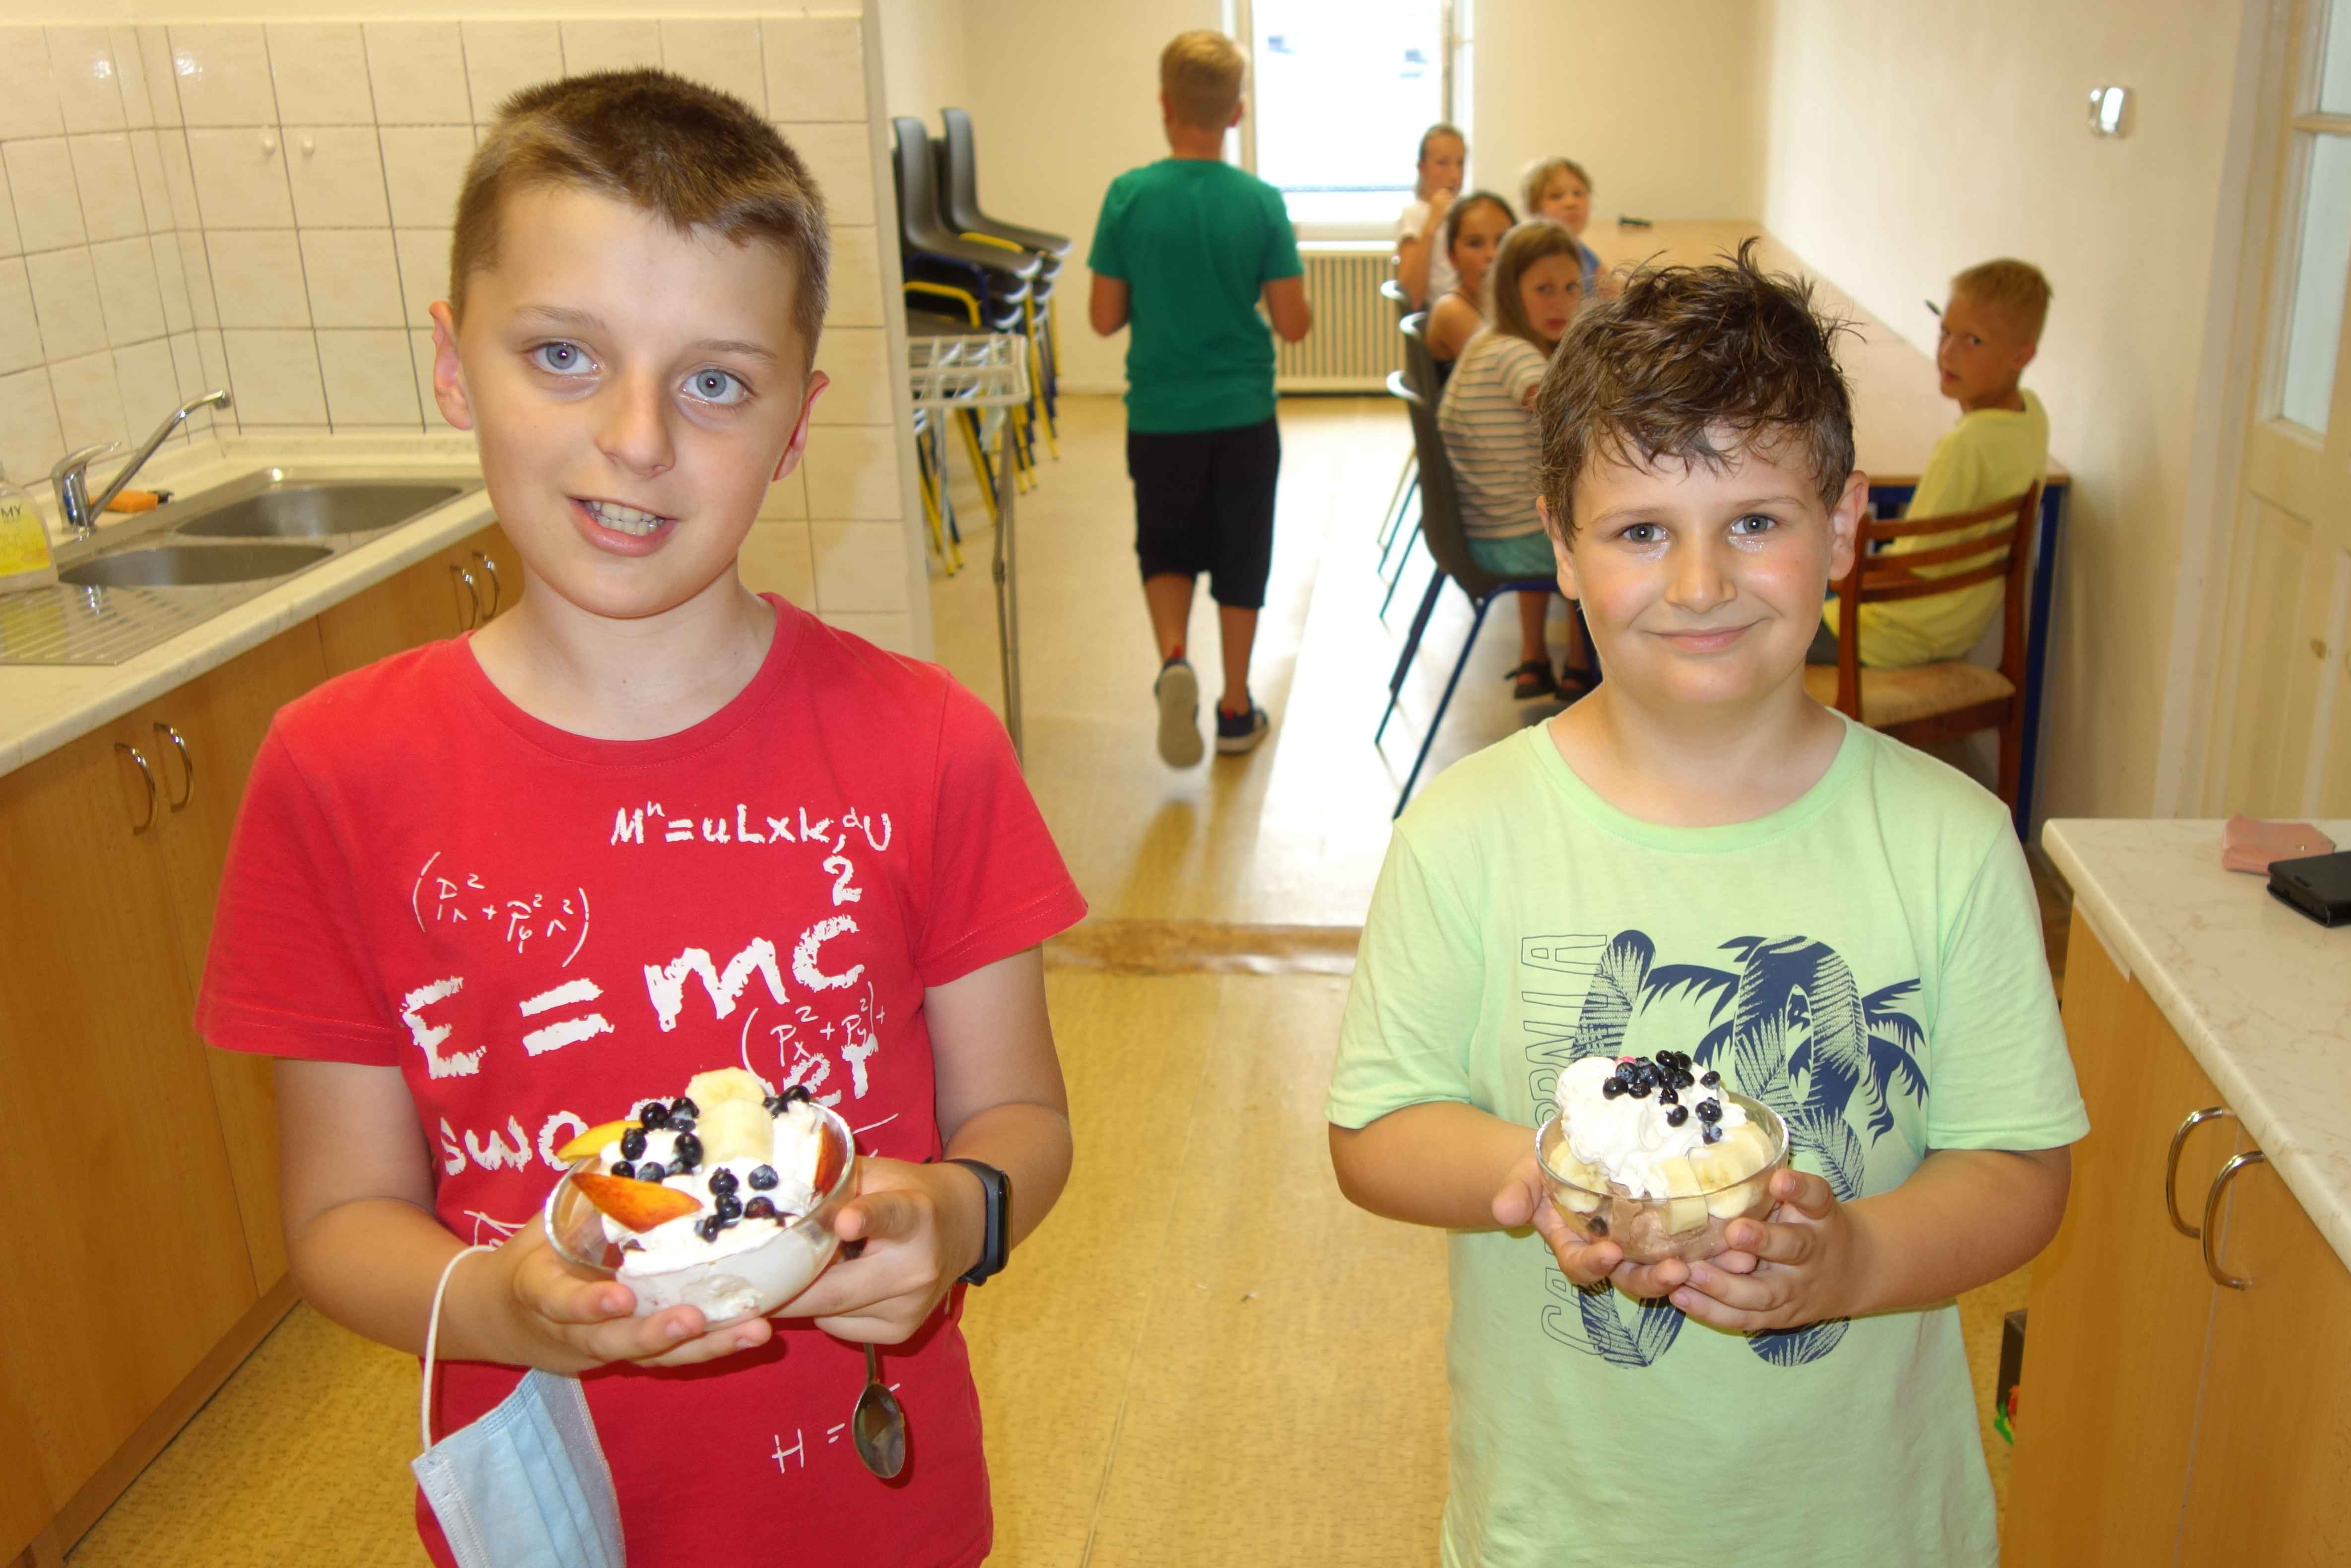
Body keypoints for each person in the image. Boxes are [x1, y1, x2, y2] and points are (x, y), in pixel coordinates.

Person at [196, 70, 1088, 1568]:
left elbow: (1025, 1122)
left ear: (796, 426)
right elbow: (341, 1216)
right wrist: (505, 1305)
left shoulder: (928, 745)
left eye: (715, 383)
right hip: (548, 1513)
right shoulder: (335, 772)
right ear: (452, 364)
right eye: (563, 355)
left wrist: (960, 1216)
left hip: (869, 1503)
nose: (635, 437)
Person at [1328, 242, 2085, 1568]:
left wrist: (1855, 1261)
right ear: (1562, 546)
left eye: (1753, 522)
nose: (1698, 585)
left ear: (1841, 527)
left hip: (1868, 1530)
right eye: (1640, 531)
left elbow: (2018, 1169)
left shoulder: (1952, 844)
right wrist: (1540, 1178)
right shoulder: (1462, 836)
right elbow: (1375, 1127)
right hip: (1560, 1531)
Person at [1089, 29, 1310, 765]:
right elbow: (1293, 325)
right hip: (1243, 416)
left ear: (1165, 104)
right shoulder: (1260, 202)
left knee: (1166, 544)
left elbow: (1103, 317)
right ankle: (1236, 707)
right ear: (1236, 113)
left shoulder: (1128, 196)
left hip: (1160, 417)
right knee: (1243, 556)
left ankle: (1175, 660)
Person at [1814, 258, 2053, 668]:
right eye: (1945, 331)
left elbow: (1909, 570)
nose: (1947, 352)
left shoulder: (1964, 448)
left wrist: (1830, 577)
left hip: (1878, 637)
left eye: (1973, 341)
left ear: (2021, 356)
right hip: (1949, 630)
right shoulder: (2031, 415)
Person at [1436, 218, 1587, 701]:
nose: (1561, 302)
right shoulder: (1516, 356)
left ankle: (1534, 659)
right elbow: (1565, 414)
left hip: (1486, 528)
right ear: (1509, 290)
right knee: (1595, 541)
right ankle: (1582, 667)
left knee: (1550, 503)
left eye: (1571, 287)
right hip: (1505, 540)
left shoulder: (1489, 339)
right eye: (1543, 289)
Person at [1421, 189, 1515, 367]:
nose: (1492, 254)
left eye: (1502, 241)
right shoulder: (1450, 310)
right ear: (1452, 257)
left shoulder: (1505, 304)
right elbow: (1504, 367)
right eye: (1475, 244)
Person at [1521, 154, 1616, 299]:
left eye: (1578, 194)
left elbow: (1613, 292)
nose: (1571, 203)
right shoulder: (1531, 256)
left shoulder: (1584, 254)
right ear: (1533, 208)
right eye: (1556, 196)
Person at [1395, 122, 1467, 310]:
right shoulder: (1414, 214)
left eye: (1460, 163)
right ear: (1422, 168)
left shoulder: (1465, 212)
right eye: (1443, 163)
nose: (1455, 175)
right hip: (1439, 315)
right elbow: (1411, 298)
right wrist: (1431, 227)